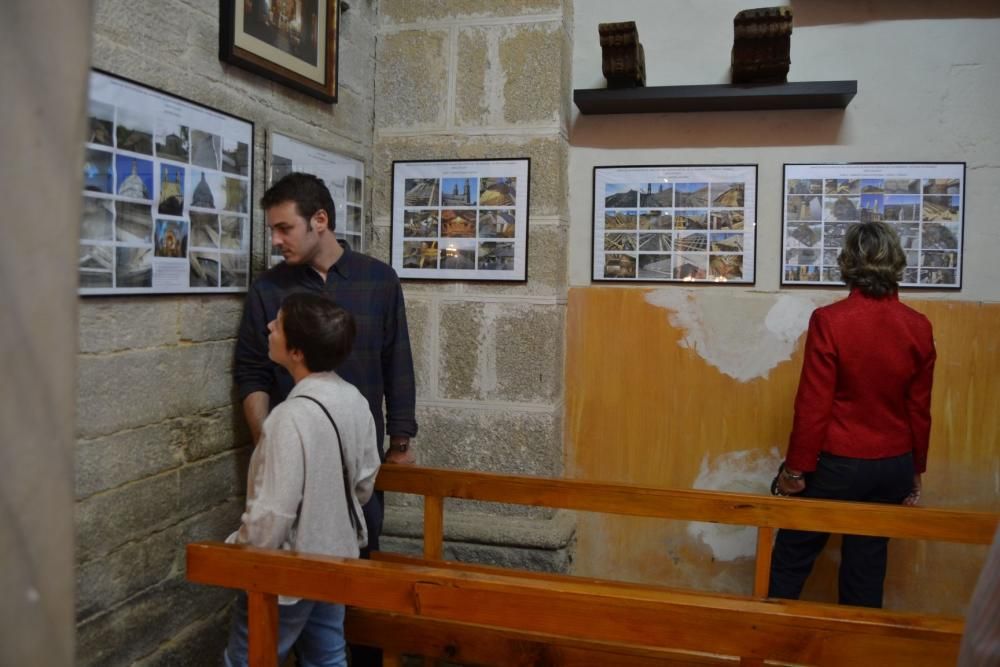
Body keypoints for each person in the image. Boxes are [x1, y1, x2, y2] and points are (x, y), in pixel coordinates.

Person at [235, 172, 416, 666]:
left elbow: (396, 361)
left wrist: (400, 441)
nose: (275, 240)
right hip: (289, 468)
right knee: (296, 607)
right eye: (272, 229)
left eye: (284, 228)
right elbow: (251, 374)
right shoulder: (269, 289)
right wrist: (272, 444)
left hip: (356, 466)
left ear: (320, 221)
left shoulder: (377, 279)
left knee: (352, 592)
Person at [768, 220, 936, 608]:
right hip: (892, 465)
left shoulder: (830, 321)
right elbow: (919, 410)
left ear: (848, 263)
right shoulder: (919, 326)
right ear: (896, 262)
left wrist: (794, 472)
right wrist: (915, 471)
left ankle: (768, 648)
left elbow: (814, 404)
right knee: (867, 569)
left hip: (837, 465)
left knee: (791, 560)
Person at [224, 293, 381, 667]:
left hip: (288, 570)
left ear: (296, 352)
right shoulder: (354, 398)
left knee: (249, 659)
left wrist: (239, 553)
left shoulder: (287, 418)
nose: (269, 328)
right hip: (335, 556)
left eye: (277, 325)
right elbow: (364, 483)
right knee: (326, 658)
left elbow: (272, 515)